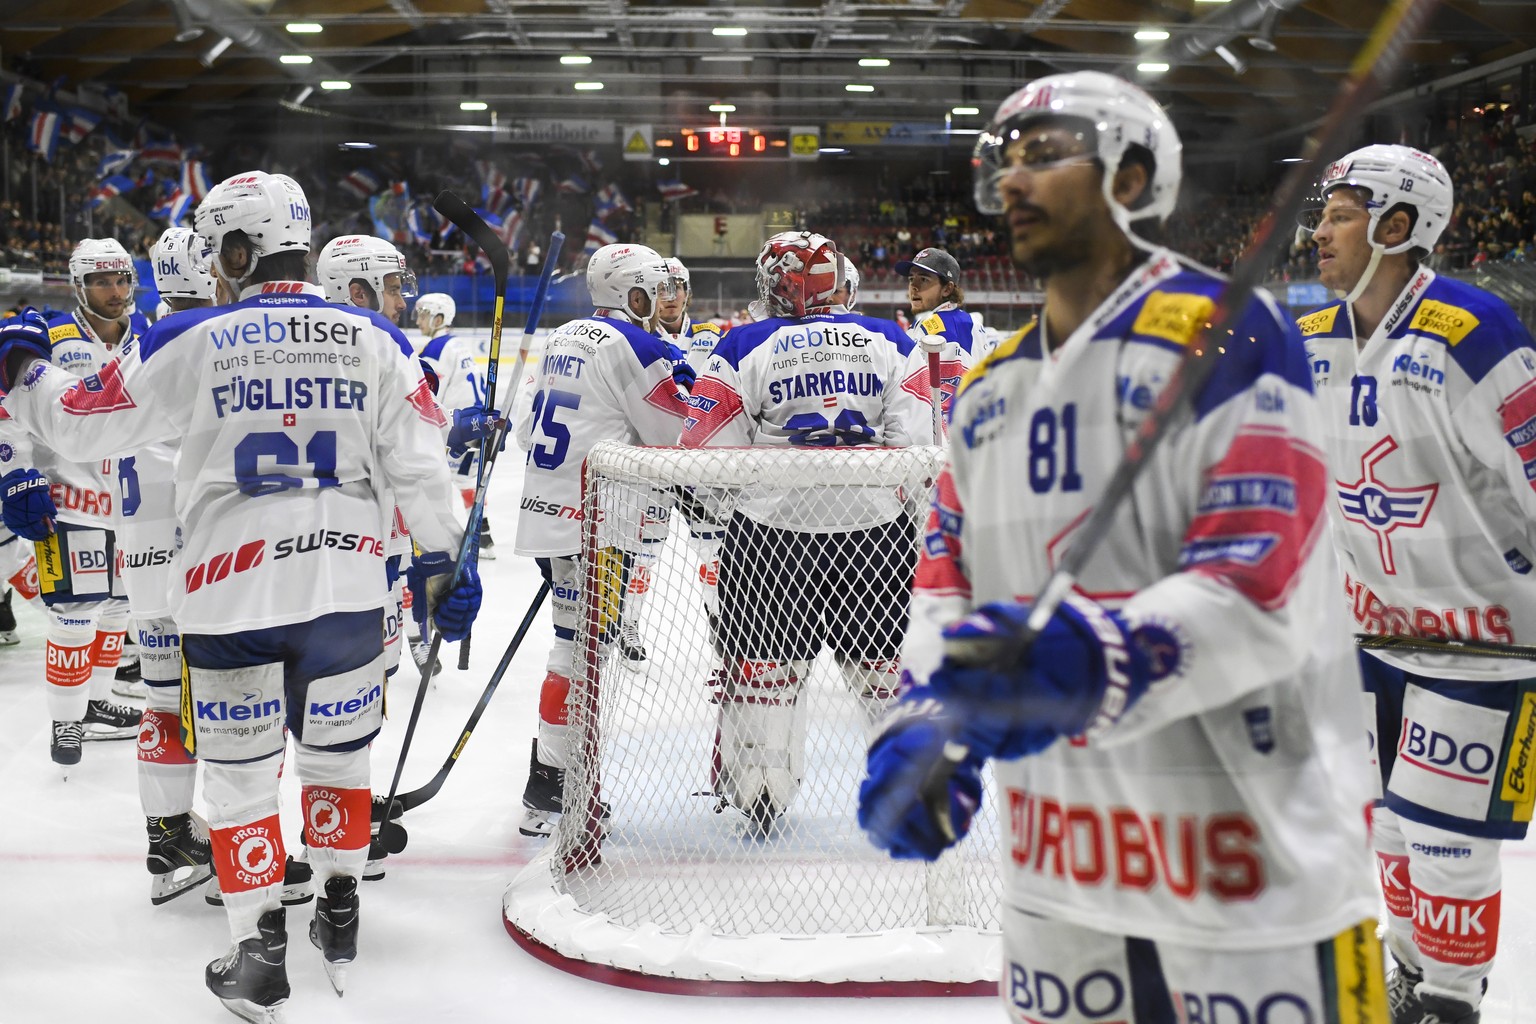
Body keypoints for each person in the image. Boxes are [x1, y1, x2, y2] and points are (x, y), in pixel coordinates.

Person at [855, 71, 1387, 1023]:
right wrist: (925, 717)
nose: (1015, 181)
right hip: (1061, 877)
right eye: (1006, 160)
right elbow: (944, 587)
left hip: (1251, 868)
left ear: (1133, 179)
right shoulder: (986, 389)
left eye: (1047, 155)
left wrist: (1095, 652)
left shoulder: (1229, 333)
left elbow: (1262, 589)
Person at [0, 170, 482, 1022]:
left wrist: (22, 364)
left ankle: (258, 950)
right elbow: (421, 464)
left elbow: (78, 421)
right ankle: (339, 904)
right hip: (345, 595)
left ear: (233, 250)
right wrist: (445, 560)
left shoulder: (189, 335)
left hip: (230, 598)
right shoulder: (373, 335)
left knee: (241, 782)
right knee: (339, 762)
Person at [1301, 143, 1536, 1024]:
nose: (1319, 232)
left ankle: (1448, 1001)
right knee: (1387, 828)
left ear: (1399, 226)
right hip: (1364, 637)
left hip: (1483, 644)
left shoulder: (1474, 332)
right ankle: (1410, 977)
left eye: (1342, 214)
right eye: (1323, 213)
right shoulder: (1312, 339)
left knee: (1447, 842)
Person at [679, 229, 935, 830]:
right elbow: (918, 445)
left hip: (770, 536)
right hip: (874, 534)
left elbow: (706, 450)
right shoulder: (892, 339)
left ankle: (760, 792)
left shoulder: (742, 343)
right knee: (884, 674)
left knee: (759, 676)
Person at [512, 242, 691, 838]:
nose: (661, 301)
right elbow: (673, 434)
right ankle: (554, 788)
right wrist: (685, 383)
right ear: (632, 294)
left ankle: (551, 777)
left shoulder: (563, 337)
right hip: (599, 525)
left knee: (578, 644)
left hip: (549, 515)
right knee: (580, 654)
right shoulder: (637, 345)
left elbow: (522, 433)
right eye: (652, 290)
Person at [0, 237, 146, 772]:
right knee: (73, 617)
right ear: (79, 285)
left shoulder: (147, 336)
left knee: (118, 611)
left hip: (129, 505)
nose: (115, 291)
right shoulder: (48, 333)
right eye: (102, 281)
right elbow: (9, 410)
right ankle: (66, 721)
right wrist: (16, 474)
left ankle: (95, 702)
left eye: (122, 279)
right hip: (66, 499)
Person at [414, 292, 497, 567]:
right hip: (473, 422)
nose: (418, 321)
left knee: (430, 481)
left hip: (457, 427)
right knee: (464, 482)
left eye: (424, 314)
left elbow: (427, 394)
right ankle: (481, 537)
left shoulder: (435, 349)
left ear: (439, 318)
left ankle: (441, 540)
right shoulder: (457, 344)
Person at [896, 246, 998, 424]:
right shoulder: (972, 323)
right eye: (911, 278)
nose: (914, 286)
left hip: (937, 439)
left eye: (924, 279)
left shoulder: (930, 327)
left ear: (947, 289)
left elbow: (937, 398)